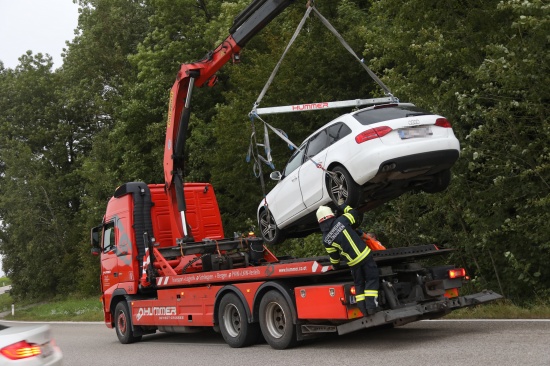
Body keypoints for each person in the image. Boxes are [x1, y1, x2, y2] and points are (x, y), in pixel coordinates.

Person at [316, 204, 379, 316]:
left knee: (359, 284)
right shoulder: (342, 220)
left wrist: (335, 266)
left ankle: (363, 310)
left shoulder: (326, 239)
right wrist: (342, 206)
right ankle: (371, 308)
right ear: (331, 215)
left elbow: (334, 257)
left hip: (353, 263)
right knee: (371, 279)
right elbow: (354, 212)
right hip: (364, 256)